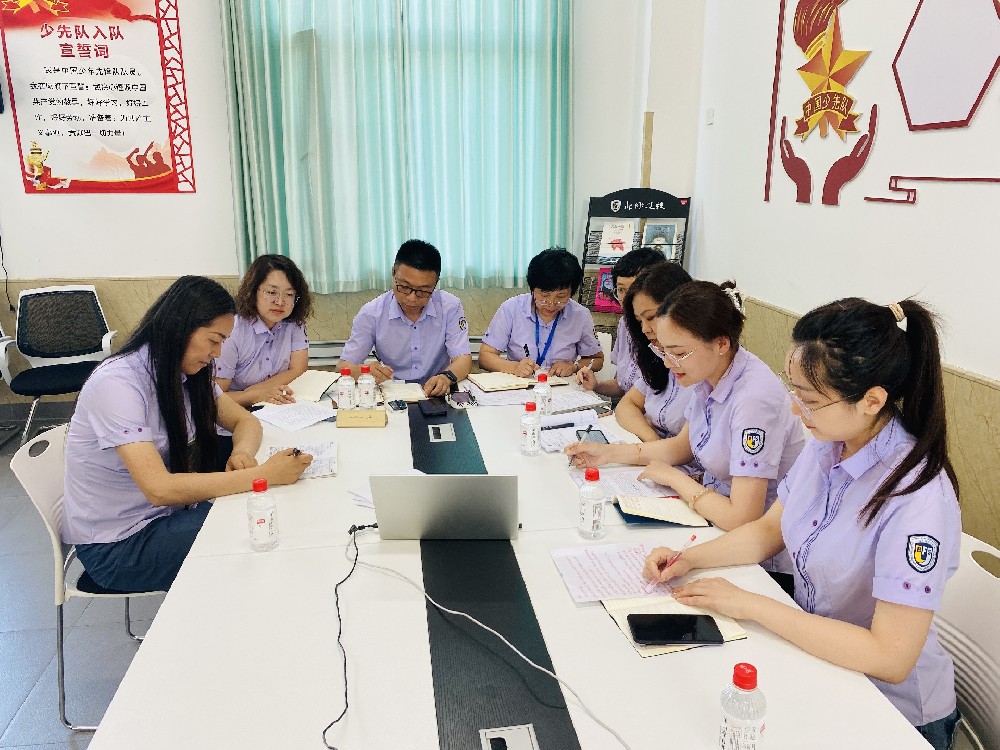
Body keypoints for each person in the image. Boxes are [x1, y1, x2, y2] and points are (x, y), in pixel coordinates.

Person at [642, 298, 961, 750]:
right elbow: (767, 531)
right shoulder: (829, 443)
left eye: (809, 400)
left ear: (872, 400)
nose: (795, 411)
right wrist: (688, 559)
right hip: (824, 663)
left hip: (892, 712)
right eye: (793, 392)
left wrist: (750, 604)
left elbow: (890, 657)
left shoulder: (915, 496)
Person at [61, 276, 312, 592]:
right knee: (254, 531)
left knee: (258, 516)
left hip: (164, 517)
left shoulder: (186, 373)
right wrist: (263, 476)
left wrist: (242, 453)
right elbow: (159, 489)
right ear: (181, 328)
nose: (217, 353)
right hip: (119, 545)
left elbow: (246, 422)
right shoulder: (118, 384)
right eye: (214, 340)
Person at [566, 280, 805, 577]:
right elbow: (682, 446)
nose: (669, 363)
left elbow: (743, 518)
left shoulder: (754, 399)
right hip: (713, 520)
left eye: (678, 353)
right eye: (664, 351)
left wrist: (675, 479)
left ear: (721, 344)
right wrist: (607, 453)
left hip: (758, 561)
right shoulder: (710, 375)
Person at [339, 239, 472, 397]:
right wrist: (364, 371)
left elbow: (463, 359)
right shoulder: (371, 313)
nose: (412, 298)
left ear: (435, 284)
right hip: (391, 393)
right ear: (393, 273)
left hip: (436, 393)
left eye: (423, 291)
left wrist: (446, 377)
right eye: (404, 287)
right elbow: (343, 366)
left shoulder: (450, 307)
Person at [479, 247, 604, 378]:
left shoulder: (580, 315)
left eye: (560, 297)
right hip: (521, 384)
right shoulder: (511, 309)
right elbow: (485, 356)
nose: (551, 304)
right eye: (544, 295)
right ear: (532, 289)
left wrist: (574, 366)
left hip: (563, 387)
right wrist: (514, 367)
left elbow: (597, 360)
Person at [214, 254, 313, 407]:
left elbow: (299, 369)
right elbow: (216, 398)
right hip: (236, 411)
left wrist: (262, 392)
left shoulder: (294, 323)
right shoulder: (232, 328)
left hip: (277, 406)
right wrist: (255, 395)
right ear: (253, 291)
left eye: (289, 294)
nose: (280, 302)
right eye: (272, 292)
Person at [613, 262, 694, 443]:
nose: (645, 329)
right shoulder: (659, 355)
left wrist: (652, 443)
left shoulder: (702, 364)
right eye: (639, 321)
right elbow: (626, 405)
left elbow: (682, 447)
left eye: (650, 317)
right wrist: (651, 437)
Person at [577, 247, 668, 398]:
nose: (626, 298)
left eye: (633, 289)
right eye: (621, 290)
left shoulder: (667, 331)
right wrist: (596, 385)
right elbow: (621, 385)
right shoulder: (624, 324)